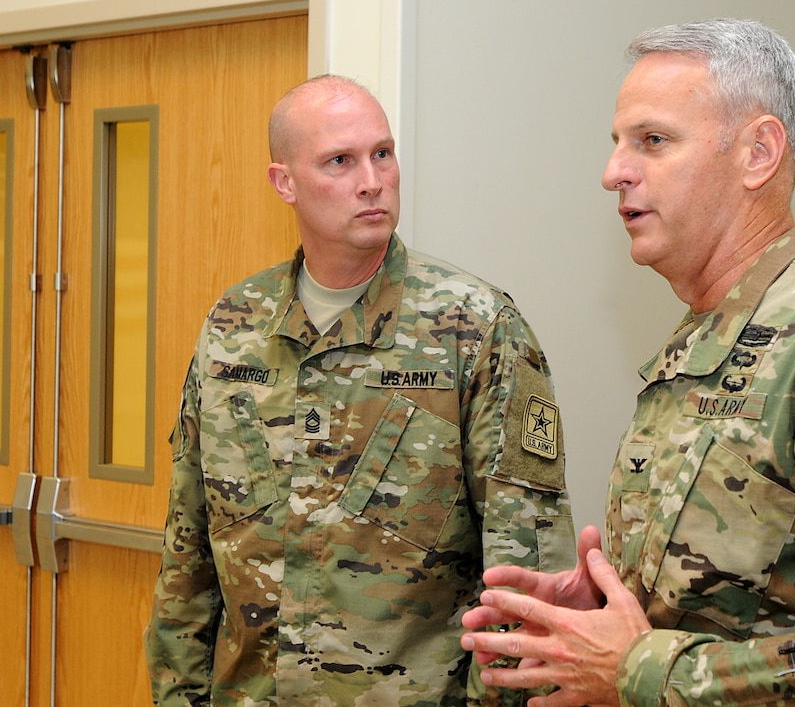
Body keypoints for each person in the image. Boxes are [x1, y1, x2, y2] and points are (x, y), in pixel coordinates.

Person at [461, 18, 795, 706]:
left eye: (652, 141)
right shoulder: (700, 349)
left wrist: (640, 667)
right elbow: (739, 607)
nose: (613, 172)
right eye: (617, 143)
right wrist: (607, 613)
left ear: (758, 153)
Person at [144, 74, 576, 706]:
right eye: (340, 161)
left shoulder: (475, 328)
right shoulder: (234, 325)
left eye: (383, 153)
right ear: (284, 182)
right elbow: (189, 548)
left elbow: (526, 571)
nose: (372, 180)